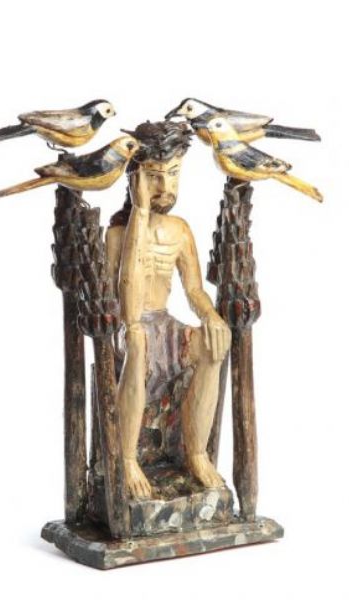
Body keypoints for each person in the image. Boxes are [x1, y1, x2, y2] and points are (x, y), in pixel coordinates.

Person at [106, 121, 231, 499]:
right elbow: (126, 294)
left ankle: (196, 453)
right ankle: (128, 458)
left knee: (212, 345)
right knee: (138, 339)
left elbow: (194, 289)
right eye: (154, 177)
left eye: (173, 174)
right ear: (135, 179)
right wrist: (140, 211)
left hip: (162, 323)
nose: (165, 187)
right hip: (127, 325)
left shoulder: (180, 230)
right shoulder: (118, 235)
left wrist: (211, 317)